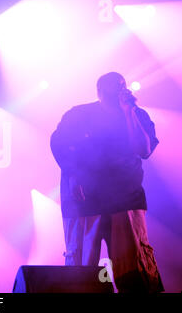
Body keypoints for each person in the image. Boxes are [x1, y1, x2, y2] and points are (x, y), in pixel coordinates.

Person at [50, 72, 164, 293]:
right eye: (113, 87)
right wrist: (74, 177)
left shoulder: (136, 114)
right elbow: (58, 144)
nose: (118, 91)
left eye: (121, 85)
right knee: (82, 269)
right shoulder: (79, 115)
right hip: (84, 203)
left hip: (125, 200)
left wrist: (129, 112)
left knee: (134, 269)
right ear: (99, 92)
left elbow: (144, 150)